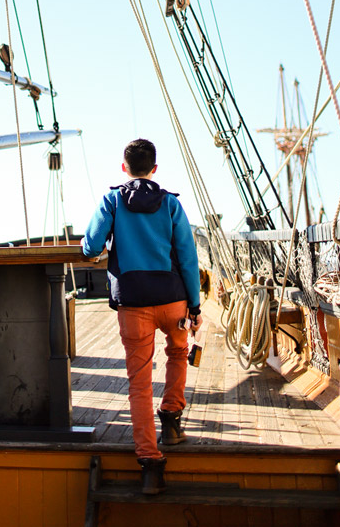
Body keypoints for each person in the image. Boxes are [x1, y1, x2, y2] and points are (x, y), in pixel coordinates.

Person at [81, 138, 202, 496]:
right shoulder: (172, 205)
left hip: (134, 302)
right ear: (154, 169)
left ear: (124, 168)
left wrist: (99, 246)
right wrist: (193, 305)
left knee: (139, 381)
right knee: (178, 354)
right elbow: (188, 256)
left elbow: (91, 245)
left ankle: (150, 463)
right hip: (173, 300)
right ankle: (172, 419)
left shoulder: (113, 201)